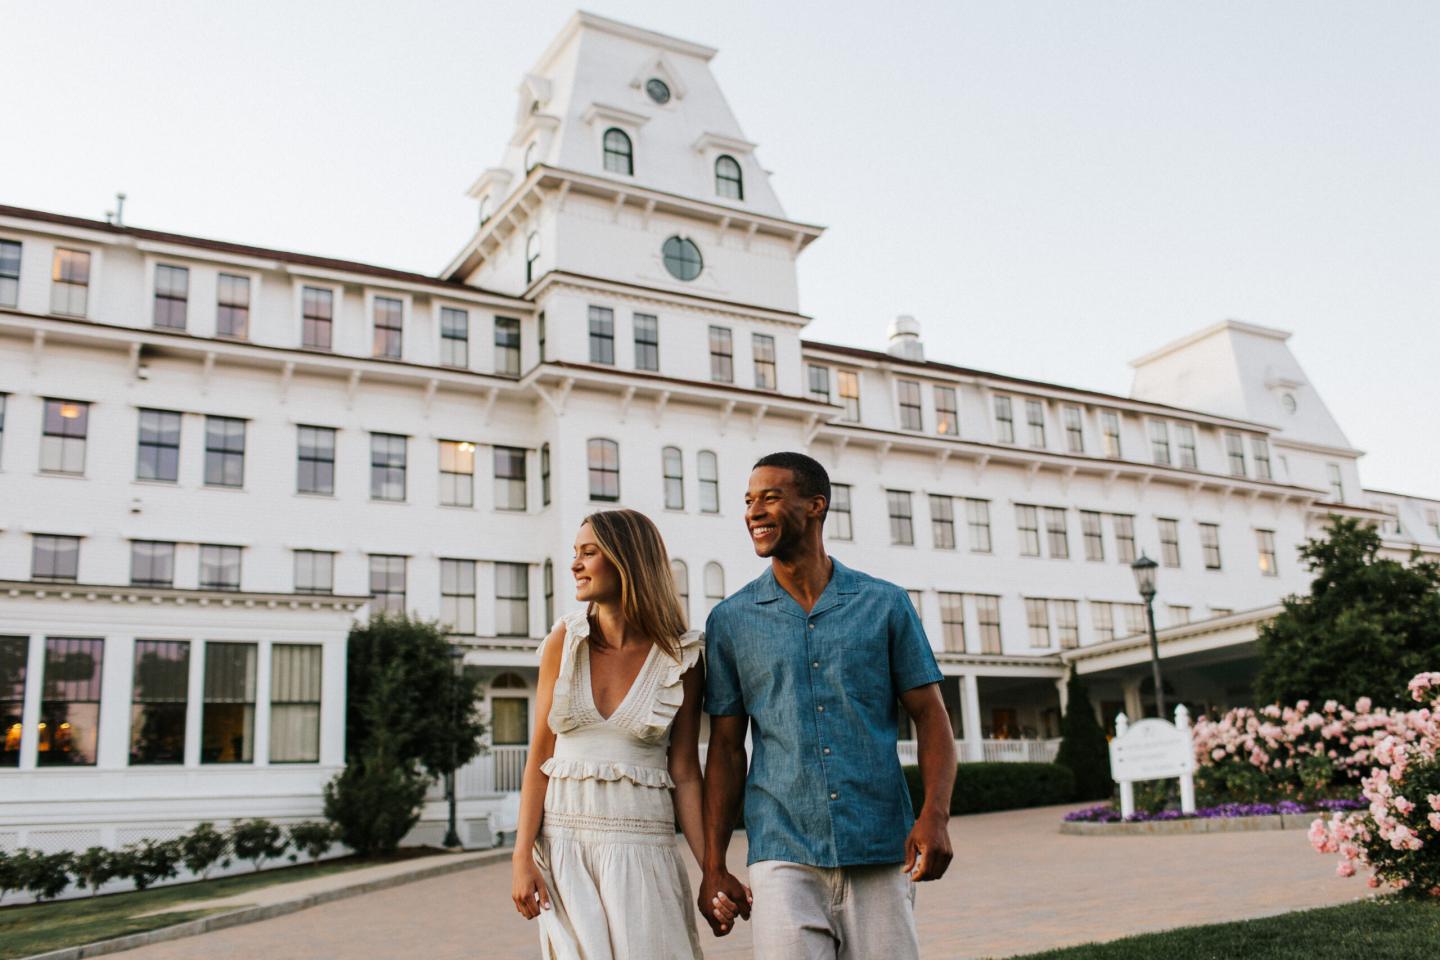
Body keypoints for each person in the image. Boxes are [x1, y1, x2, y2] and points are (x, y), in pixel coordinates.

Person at [698, 451, 957, 960]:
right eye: (749, 501)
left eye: (770, 497)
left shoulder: (884, 603)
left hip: (881, 845)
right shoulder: (730, 620)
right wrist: (713, 864)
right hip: (781, 851)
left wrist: (936, 815)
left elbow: (930, 715)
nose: (754, 511)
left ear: (816, 505)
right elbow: (727, 749)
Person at [511, 509, 706, 959]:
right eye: (574, 554)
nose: (575, 564)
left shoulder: (683, 657)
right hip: (564, 851)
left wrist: (710, 868)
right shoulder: (566, 639)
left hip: (644, 849)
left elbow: (686, 772)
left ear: (627, 559)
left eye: (589, 553)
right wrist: (521, 857)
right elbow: (538, 758)